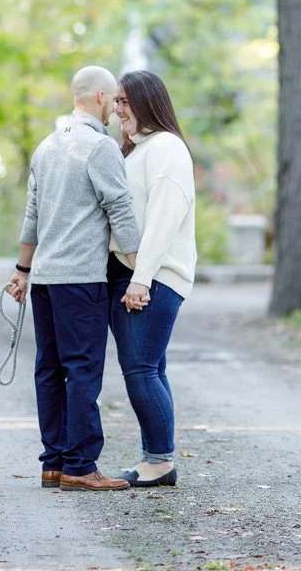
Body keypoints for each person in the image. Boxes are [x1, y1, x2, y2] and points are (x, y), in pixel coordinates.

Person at [6, 66, 141, 492]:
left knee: (49, 369)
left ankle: (54, 463)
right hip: (81, 280)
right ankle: (81, 466)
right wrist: (143, 270)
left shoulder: (47, 147)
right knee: (83, 369)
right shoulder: (100, 148)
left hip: (45, 280)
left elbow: (32, 216)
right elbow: (120, 211)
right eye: (114, 100)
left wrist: (22, 271)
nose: (116, 109)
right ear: (100, 98)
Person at [107, 70, 196, 488]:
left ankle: (160, 462)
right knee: (149, 368)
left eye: (125, 101)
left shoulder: (167, 148)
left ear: (147, 103)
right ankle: (155, 457)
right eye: (117, 101)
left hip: (154, 277)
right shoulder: (137, 151)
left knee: (140, 369)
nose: (118, 109)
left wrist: (140, 280)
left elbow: (163, 219)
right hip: (136, 275)